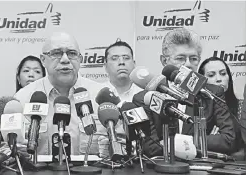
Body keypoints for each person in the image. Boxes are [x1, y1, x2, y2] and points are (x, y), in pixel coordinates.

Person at [133, 28, 236, 156]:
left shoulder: (212, 93)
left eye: (193, 58)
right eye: (180, 58)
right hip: (161, 172)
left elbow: (228, 140)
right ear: (164, 61)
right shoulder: (145, 98)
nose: (188, 65)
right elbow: (151, 148)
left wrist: (182, 143)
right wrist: (204, 140)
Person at [14, 32, 106, 155]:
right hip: (38, 173)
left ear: (80, 59)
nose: (65, 60)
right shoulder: (23, 98)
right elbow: (6, 147)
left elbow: (122, 143)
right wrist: (16, 151)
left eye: (72, 53)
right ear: (43, 60)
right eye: (56, 53)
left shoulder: (100, 95)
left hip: (91, 172)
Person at [197, 56, 244, 160]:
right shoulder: (198, 109)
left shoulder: (241, 107)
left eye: (223, 74)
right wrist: (213, 141)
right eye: (211, 75)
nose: (219, 79)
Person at [103, 41, 143, 105]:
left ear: (134, 64)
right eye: (114, 58)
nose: (121, 62)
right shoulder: (96, 93)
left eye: (126, 58)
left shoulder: (145, 94)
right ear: (105, 66)